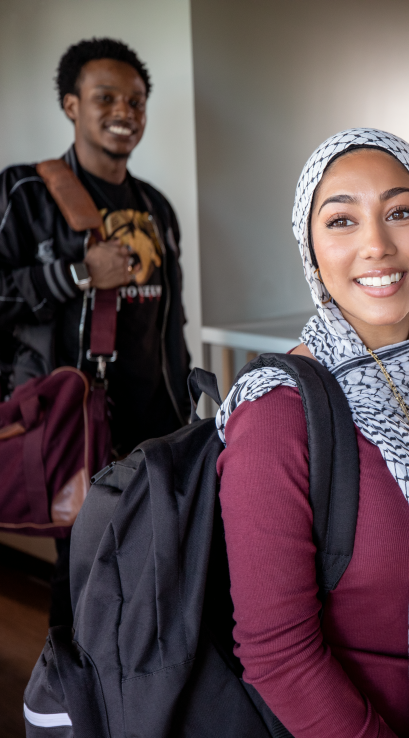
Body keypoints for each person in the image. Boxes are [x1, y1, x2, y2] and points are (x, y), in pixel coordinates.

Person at [217, 129, 409, 738]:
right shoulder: (278, 413)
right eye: (342, 221)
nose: (377, 245)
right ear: (312, 249)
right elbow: (278, 655)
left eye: (401, 212)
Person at [0, 38, 190, 625]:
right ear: (70, 104)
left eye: (136, 102)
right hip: (73, 424)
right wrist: (78, 273)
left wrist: (189, 411)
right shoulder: (26, 193)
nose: (125, 112)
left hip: (158, 424)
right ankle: (66, 701)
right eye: (106, 97)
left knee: (162, 563)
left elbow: (170, 317)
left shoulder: (156, 206)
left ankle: (140, 696)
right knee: (83, 570)